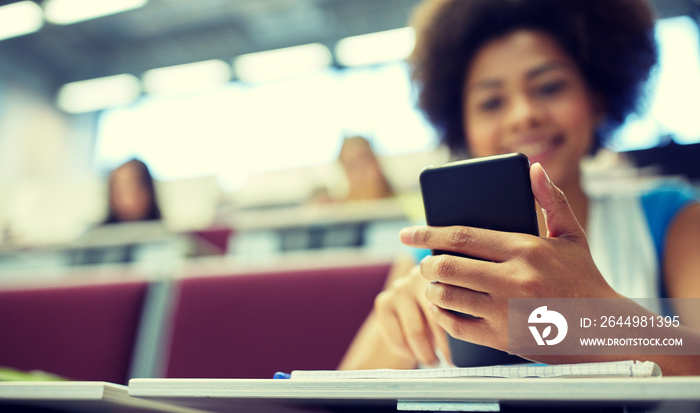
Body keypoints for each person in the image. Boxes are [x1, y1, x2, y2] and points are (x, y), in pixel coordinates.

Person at [339, 0, 700, 375]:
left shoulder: (674, 221)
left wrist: (591, 319)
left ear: (596, 98)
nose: (523, 114)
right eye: (492, 102)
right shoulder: (432, 257)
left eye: (549, 86)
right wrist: (402, 336)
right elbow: (330, 397)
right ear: (463, 125)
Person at [104, 158, 162, 224]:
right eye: (114, 191)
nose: (119, 197)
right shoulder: (98, 232)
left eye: (127, 189)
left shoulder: (166, 231)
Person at [338, 136, 394, 202]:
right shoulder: (339, 209)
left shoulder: (403, 205)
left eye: (365, 159)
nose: (361, 171)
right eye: (352, 166)